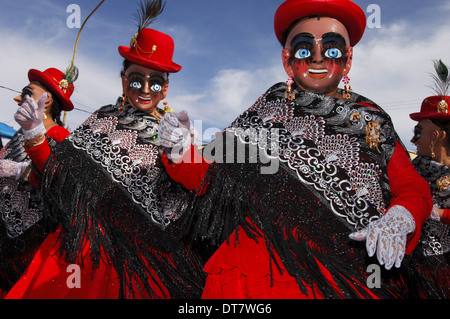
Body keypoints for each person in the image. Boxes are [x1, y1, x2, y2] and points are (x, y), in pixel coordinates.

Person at [159, 0, 432, 298]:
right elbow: (210, 177)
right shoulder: (266, 109)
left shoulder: (372, 122)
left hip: (340, 277)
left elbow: (412, 189)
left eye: (331, 49)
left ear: (348, 59)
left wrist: (401, 216)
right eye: (304, 49)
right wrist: (179, 147)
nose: (317, 59)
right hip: (249, 275)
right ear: (287, 60)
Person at [5, 0, 204, 299]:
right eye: (136, 79)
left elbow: (201, 185)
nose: (145, 89)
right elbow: (58, 175)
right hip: (73, 245)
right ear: (124, 80)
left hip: (125, 260)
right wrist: (34, 134)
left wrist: (179, 154)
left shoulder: (175, 130)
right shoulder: (102, 117)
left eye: (155, 81)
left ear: (165, 88)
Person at [0, 67, 75, 297]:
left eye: (26, 93)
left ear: (47, 99)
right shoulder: (19, 133)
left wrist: (21, 171)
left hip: (30, 241)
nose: (17, 98)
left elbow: (63, 184)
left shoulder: (61, 138)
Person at [406, 60, 450, 298]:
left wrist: (438, 213)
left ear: (436, 136)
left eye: (418, 132)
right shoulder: (412, 169)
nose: (413, 140)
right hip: (415, 264)